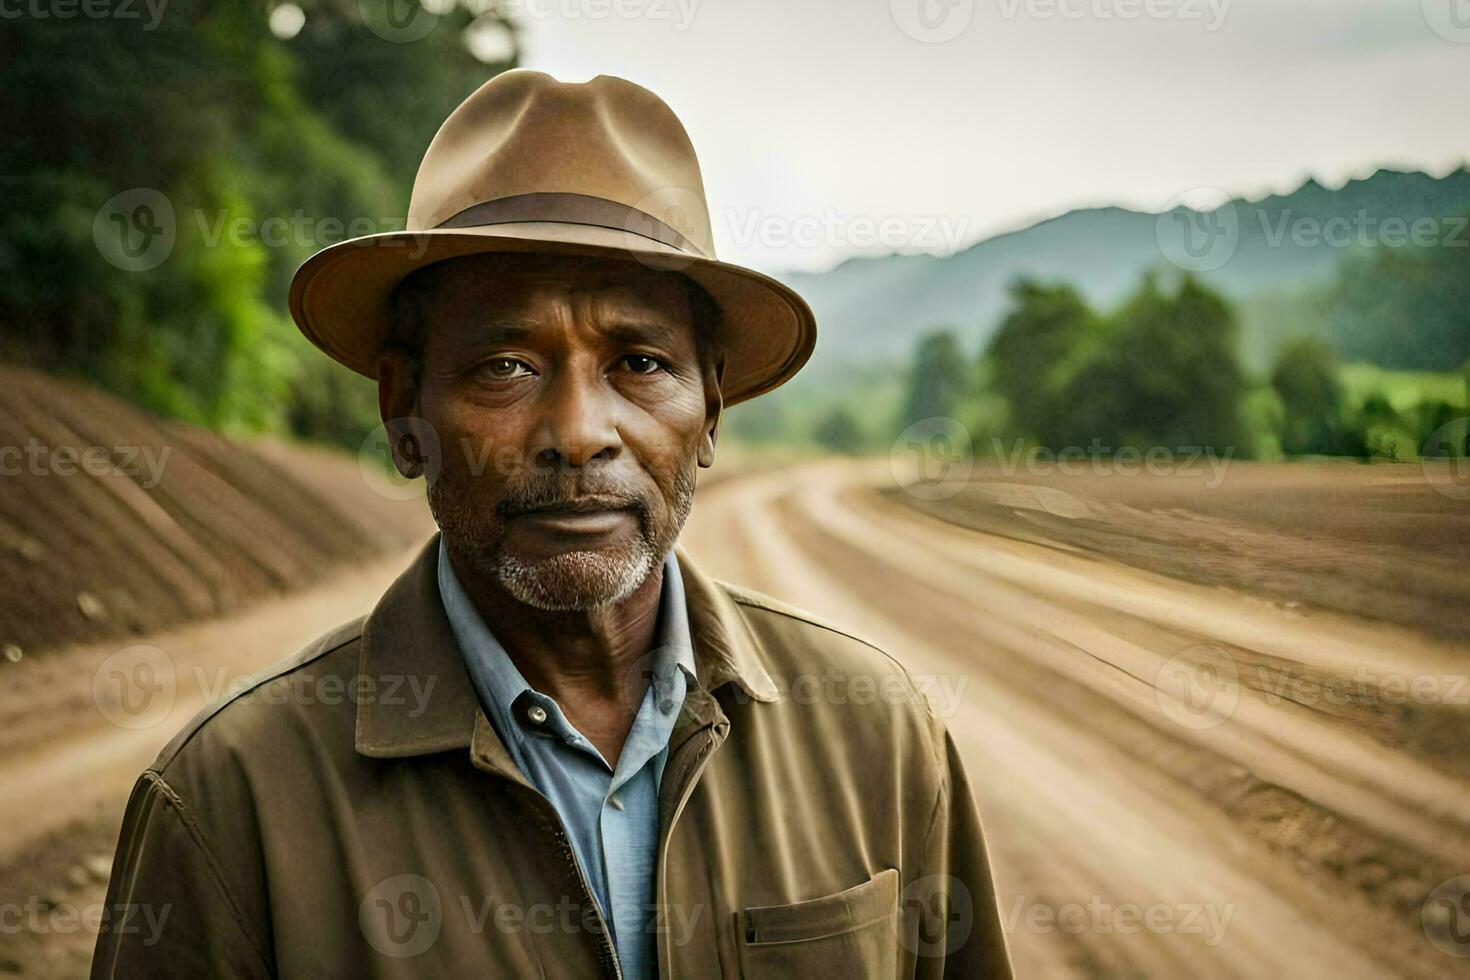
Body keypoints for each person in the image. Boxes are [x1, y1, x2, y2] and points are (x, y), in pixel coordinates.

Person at [92, 69, 1012, 978]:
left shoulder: (876, 737)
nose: (579, 434)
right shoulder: (233, 800)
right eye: (506, 365)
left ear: (712, 414)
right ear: (405, 412)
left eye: (641, 362)